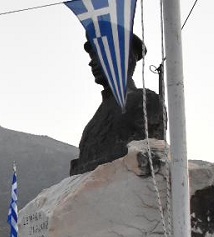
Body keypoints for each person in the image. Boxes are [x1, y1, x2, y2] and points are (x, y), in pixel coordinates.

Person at [70, 34, 166, 176]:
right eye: (92, 57)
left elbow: (151, 161)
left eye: (98, 56)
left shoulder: (144, 101)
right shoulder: (92, 124)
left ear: (123, 59)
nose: (91, 63)